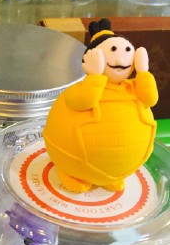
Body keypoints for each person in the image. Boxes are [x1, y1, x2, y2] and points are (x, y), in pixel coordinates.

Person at [43, 18, 158, 192]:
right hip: (75, 161)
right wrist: (95, 77)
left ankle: (110, 177)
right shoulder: (84, 88)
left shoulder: (134, 88)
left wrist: (143, 72)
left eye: (127, 50)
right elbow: (83, 101)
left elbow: (151, 99)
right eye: (113, 50)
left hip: (124, 166)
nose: (120, 58)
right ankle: (71, 174)